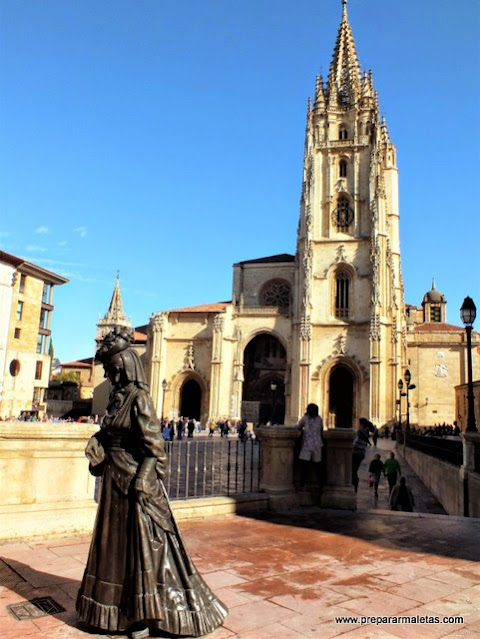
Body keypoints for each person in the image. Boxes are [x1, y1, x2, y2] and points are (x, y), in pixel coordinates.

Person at [76, 326, 227, 638]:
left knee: (140, 551)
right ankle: (110, 613)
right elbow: (111, 433)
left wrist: (142, 481)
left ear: (128, 366)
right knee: (114, 551)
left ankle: (142, 616)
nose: (112, 376)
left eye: (115, 369)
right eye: (108, 370)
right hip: (114, 485)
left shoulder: (139, 399)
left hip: (134, 486)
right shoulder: (117, 400)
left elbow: (155, 450)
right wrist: (97, 441)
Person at [297, 403, 324, 488]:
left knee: (304, 466)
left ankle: (302, 483)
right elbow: (321, 429)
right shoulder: (319, 419)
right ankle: (320, 483)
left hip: (307, 444)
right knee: (318, 466)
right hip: (317, 444)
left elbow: (298, 426)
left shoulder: (305, 418)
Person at [352, 417, 371, 493]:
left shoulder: (360, 432)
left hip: (356, 453)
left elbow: (355, 442)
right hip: (361, 453)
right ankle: (355, 487)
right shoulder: (366, 431)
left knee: (353, 471)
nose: (357, 425)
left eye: (358, 423)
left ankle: (354, 486)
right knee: (355, 470)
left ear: (361, 424)